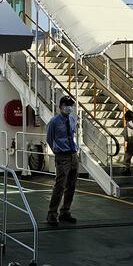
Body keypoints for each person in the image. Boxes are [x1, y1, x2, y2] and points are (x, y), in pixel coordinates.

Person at [45, 96, 78, 227]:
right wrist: (57, 151)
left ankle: (65, 211)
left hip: (73, 154)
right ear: (60, 107)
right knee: (60, 185)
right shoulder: (53, 122)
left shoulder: (71, 119)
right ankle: (52, 213)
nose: (69, 107)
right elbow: (49, 138)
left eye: (70, 105)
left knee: (71, 185)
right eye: (66, 105)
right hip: (62, 156)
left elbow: (73, 135)